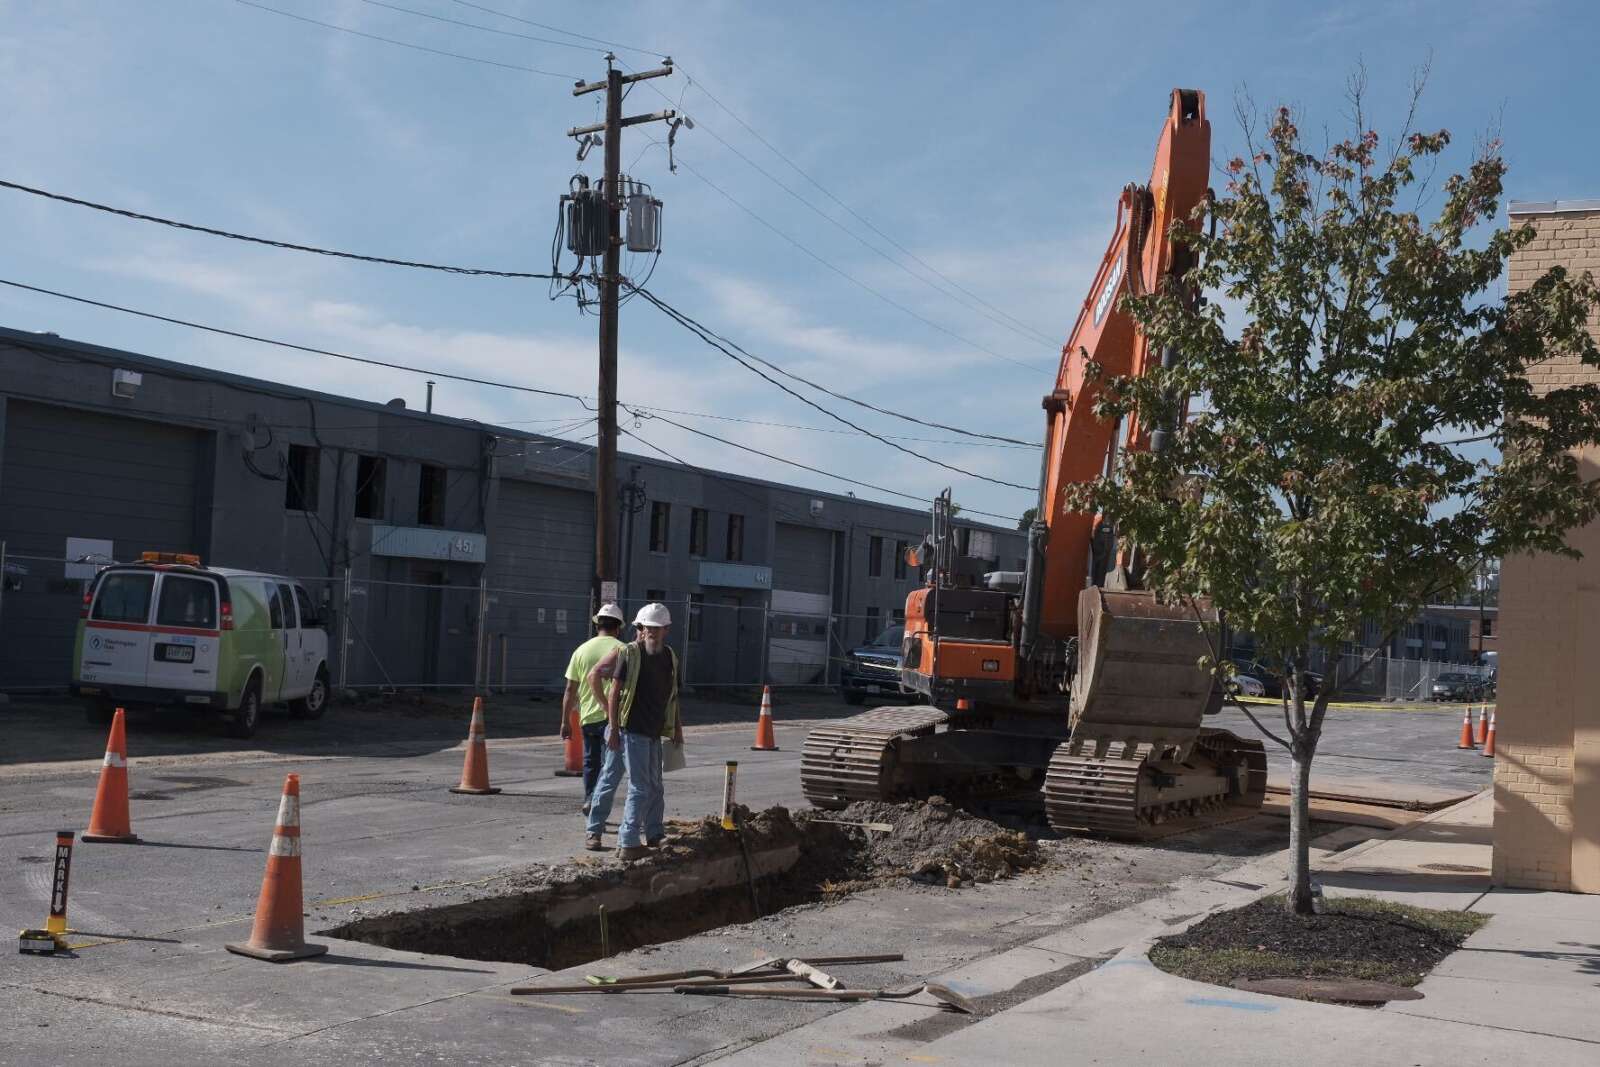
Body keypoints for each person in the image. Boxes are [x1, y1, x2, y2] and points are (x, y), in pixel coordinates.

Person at [584, 602, 683, 859]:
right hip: (628, 730)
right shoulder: (628, 653)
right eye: (646, 627)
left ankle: (654, 833)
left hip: (651, 731)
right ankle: (616, 838)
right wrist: (614, 726)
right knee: (627, 784)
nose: (650, 632)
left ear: (666, 630)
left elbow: (672, 697)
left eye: (656, 628)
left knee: (654, 785)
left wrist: (677, 729)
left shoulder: (669, 657)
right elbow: (609, 686)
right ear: (639, 628)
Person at [562, 603, 626, 816]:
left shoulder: (581, 650)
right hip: (613, 719)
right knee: (609, 766)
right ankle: (598, 805)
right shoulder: (622, 649)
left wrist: (565, 721)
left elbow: (570, 690)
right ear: (618, 627)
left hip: (587, 717)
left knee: (591, 762)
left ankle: (589, 798)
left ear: (597, 624)